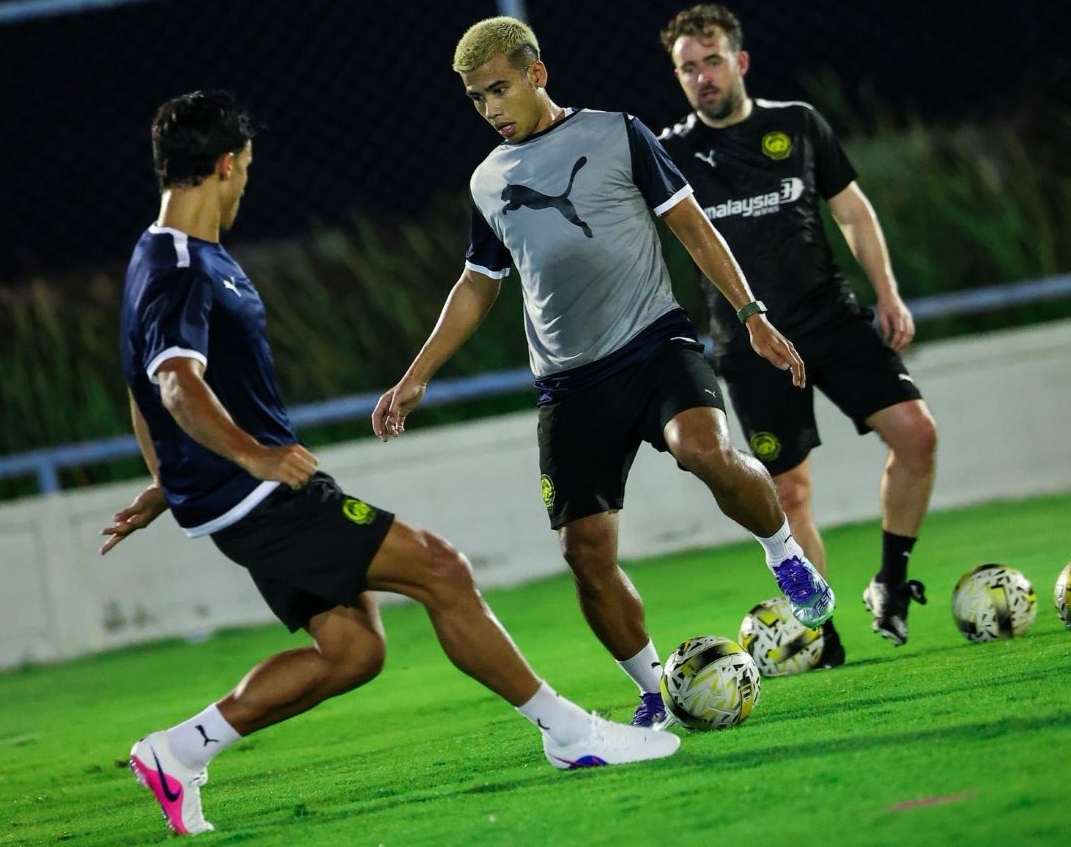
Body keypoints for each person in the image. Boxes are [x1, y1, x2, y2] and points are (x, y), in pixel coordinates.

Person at [105, 90, 679, 836]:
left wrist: (165, 480)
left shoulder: (162, 257)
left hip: (234, 492)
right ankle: (569, 734)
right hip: (259, 494)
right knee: (442, 569)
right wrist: (252, 456)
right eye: (244, 168)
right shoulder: (181, 264)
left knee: (352, 650)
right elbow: (174, 384)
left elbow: (140, 389)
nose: (246, 182)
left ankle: (177, 752)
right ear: (223, 165)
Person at [371, 17, 834, 732]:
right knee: (583, 553)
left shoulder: (617, 133)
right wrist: (414, 377)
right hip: (570, 383)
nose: (490, 108)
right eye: (475, 99)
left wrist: (752, 314)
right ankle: (655, 689)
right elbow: (476, 284)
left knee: (702, 450)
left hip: (655, 342)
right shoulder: (488, 181)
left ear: (536, 75)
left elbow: (693, 227)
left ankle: (784, 555)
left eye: (499, 89)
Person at [657, 5, 939, 656]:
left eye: (712, 61)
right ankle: (823, 633)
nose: (702, 78)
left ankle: (891, 583)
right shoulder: (670, 155)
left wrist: (888, 293)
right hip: (749, 342)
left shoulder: (798, 125)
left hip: (830, 317)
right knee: (788, 490)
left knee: (917, 435)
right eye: (687, 69)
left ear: (741, 62)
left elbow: (853, 212)